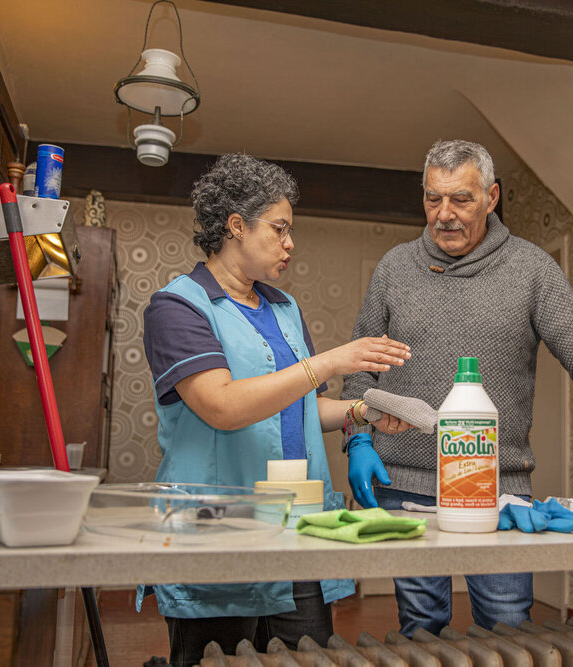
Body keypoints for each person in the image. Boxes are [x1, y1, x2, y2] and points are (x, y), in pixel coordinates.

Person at [340, 139, 573, 636]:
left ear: (492, 196)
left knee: (507, 626)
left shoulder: (532, 270)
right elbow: (359, 369)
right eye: (433, 199)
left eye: (461, 199)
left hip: (499, 487)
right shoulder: (394, 268)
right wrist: (358, 440)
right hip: (404, 484)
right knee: (420, 625)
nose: (444, 214)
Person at [140, 153, 411, 666]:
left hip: (295, 525)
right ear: (236, 226)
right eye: (280, 229)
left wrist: (359, 412)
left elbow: (301, 408)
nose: (290, 243)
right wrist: (330, 359)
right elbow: (221, 406)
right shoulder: (178, 306)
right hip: (218, 529)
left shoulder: (285, 310)